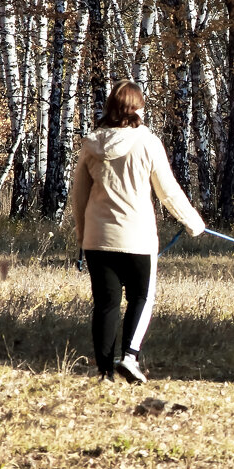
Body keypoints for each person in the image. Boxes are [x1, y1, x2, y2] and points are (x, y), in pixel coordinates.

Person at [71, 80, 205, 383]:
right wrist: (192, 221)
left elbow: (79, 196)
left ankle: (104, 372)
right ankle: (130, 357)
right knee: (141, 297)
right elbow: (167, 191)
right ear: (137, 108)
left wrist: (82, 236)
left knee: (105, 304)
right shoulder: (147, 142)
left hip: (97, 238)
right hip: (137, 238)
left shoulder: (91, 144)